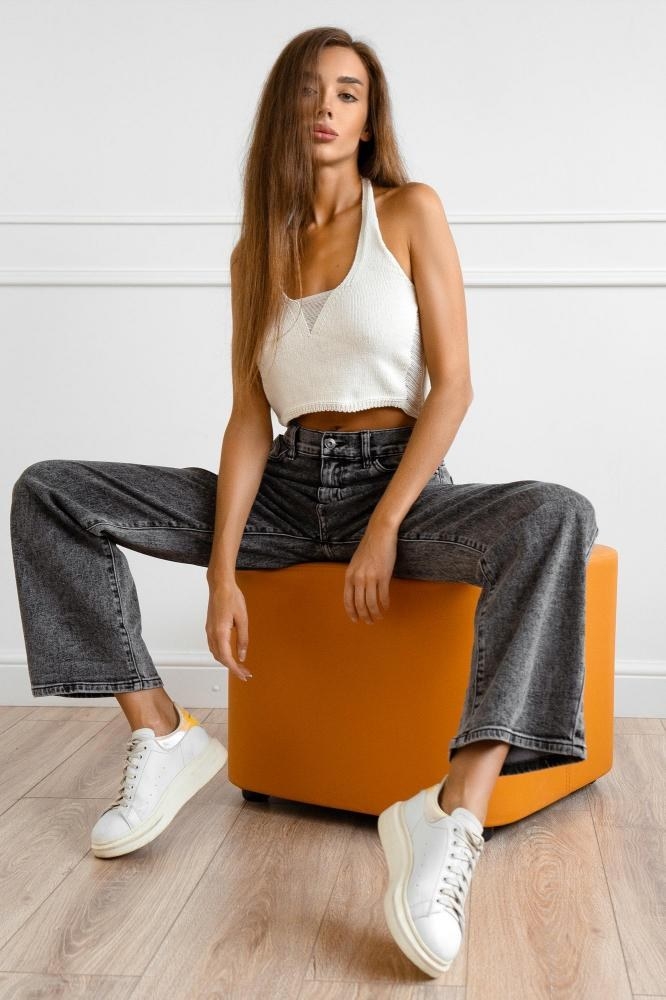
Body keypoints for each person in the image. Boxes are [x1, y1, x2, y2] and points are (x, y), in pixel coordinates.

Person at [9, 27, 599, 979]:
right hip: (285, 491)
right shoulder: (256, 251)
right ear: (285, 111)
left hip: (398, 482)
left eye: (348, 93)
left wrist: (386, 526)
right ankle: (160, 729)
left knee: (557, 514)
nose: (327, 107)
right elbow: (250, 419)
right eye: (311, 91)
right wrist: (221, 571)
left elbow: (453, 387)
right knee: (51, 492)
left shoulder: (408, 211)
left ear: (368, 121)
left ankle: (452, 814)